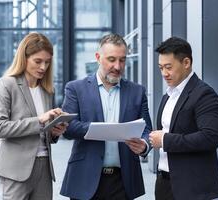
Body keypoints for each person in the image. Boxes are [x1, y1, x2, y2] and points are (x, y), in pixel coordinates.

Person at [60, 33, 152, 200]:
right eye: (111, 59)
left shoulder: (137, 92)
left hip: (123, 182)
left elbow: (147, 129)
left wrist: (144, 145)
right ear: (98, 57)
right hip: (84, 179)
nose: (117, 66)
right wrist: (100, 129)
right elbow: (68, 128)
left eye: (122, 60)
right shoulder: (75, 89)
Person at [0, 32, 67, 200]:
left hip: (44, 167)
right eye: (38, 61)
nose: (43, 67)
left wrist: (54, 132)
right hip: (16, 170)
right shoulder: (6, 84)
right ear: (24, 58)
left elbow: (44, 133)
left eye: (47, 62)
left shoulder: (47, 90)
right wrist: (39, 120)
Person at [149, 37, 218, 200]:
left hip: (191, 188)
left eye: (168, 67)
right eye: (160, 68)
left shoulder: (204, 94)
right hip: (164, 184)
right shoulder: (168, 95)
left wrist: (165, 141)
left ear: (186, 62)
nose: (164, 73)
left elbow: (210, 138)